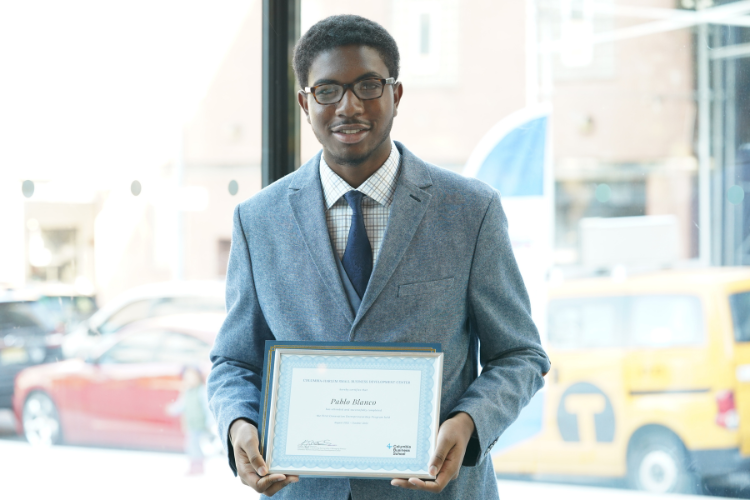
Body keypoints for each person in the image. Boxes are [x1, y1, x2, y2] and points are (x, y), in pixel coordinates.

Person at [208, 14, 550, 499]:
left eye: (368, 85)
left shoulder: (470, 211)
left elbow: (520, 354)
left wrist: (470, 421)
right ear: (305, 103)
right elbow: (233, 360)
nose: (349, 106)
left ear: (397, 94)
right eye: (327, 90)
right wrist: (238, 422)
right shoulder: (257, 221)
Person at [168, 365, 213, 475]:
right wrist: (172, 409)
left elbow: (207, 408)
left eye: (193, 377)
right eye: (187, 377)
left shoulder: (201, 391)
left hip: (200, 425)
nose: (190, 380)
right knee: (190, 446)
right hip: (190, 425)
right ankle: (193, 465)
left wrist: (209, 423)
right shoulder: (186, 392)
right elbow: (181, 405)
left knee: (197, 446)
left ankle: (198, 467)